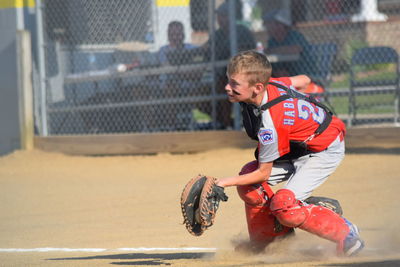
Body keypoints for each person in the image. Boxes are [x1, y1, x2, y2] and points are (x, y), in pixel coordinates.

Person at [215, 50, 364, 256]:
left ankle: (347, 234)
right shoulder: (271, 83)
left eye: (234, 84)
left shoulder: (271, 123)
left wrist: (221, 183)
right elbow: (304, 80)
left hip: (324, 149)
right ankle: (268, 242)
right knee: (249, 185)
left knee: (284, 206)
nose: (227, 87)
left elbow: (263, 173)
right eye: (228, 81)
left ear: (258, 87)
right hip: (299, 147)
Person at [195, 1, 256, 129]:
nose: (221, 19)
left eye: (224, 16)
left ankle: (230, 123)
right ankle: (227, 123)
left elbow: (246, 51)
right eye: (219, 16)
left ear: (232, 16)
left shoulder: (242, 31)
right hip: (222, 77)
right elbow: (206, 50)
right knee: (200, 95)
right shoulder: (217, 34)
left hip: (244, 75)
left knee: (223, 86)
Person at [263, 9, 313, 77]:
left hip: (302, 72)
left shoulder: (295, 35)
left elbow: (296, 49)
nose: (267, 27)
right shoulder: (272, 40)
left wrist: (273, 50)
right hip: (282, 73)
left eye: (269, 24)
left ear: (280, 25)